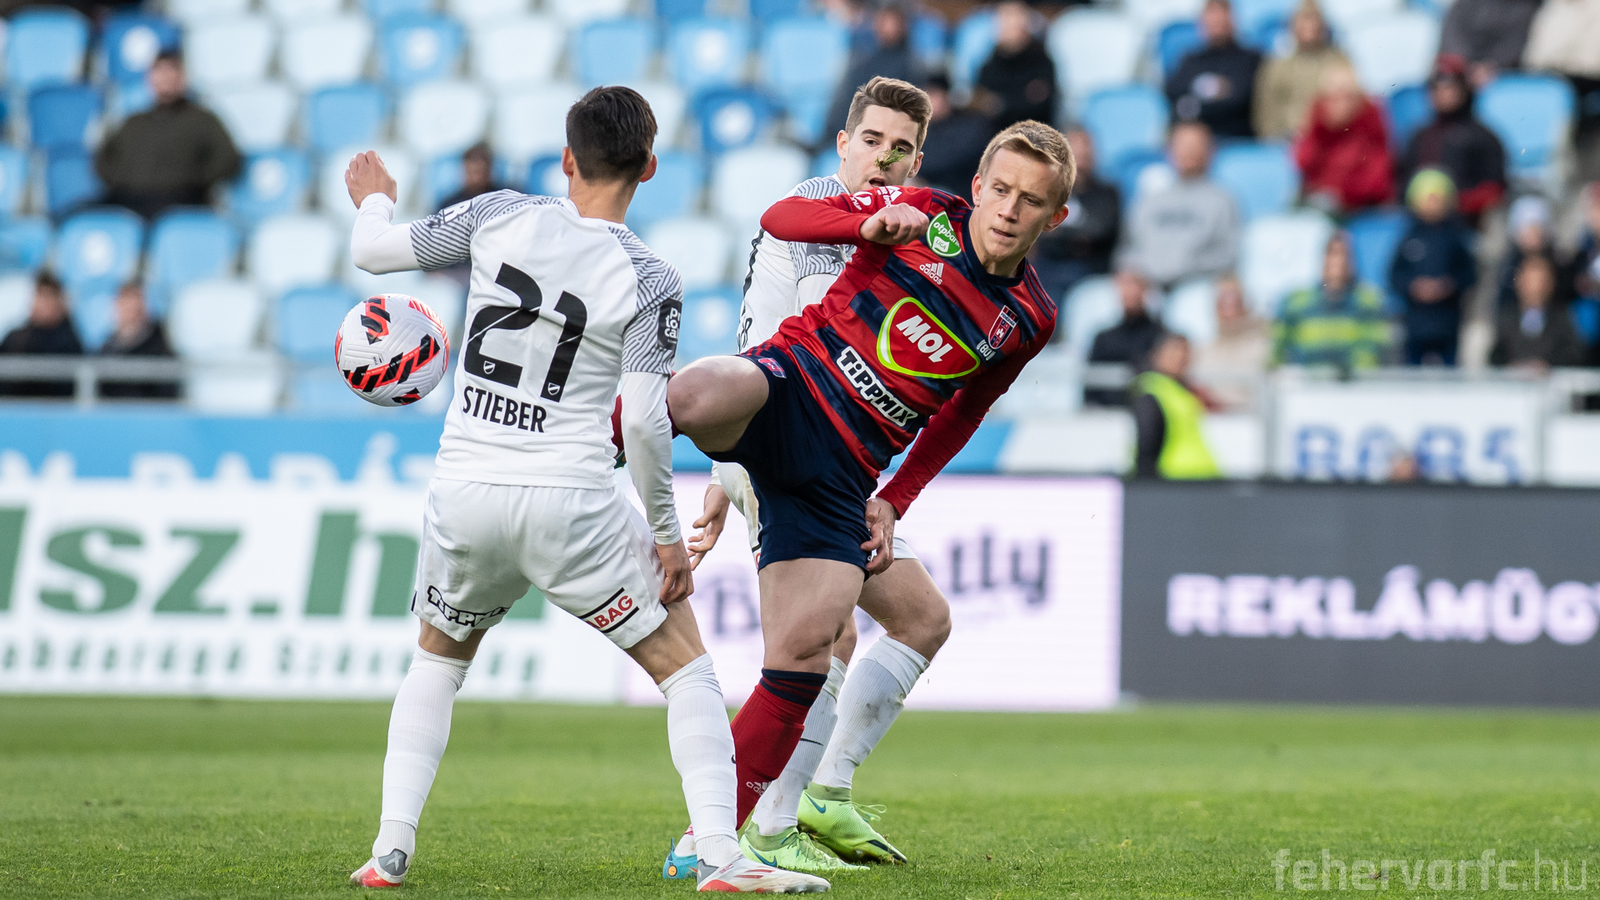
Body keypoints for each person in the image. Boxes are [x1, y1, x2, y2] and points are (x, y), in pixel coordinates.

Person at [339, 87, 826, 894]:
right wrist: (666, 534)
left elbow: (374, 252)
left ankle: (390, 850)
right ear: (650, 168)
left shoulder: (496, 213)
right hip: (570, 497)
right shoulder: (650, 276)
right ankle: (719, 854)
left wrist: (375, 198)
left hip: (466, 486)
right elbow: (645, 424)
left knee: (437, 660)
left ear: (567, 158)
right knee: (687, 673)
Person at [665, 119, 1071, 883]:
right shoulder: (924, 213)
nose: (1010, 209)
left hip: (846, 471)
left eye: (1031, 200)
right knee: (696, 392)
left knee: (810, 649)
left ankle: (713, 838)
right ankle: (586, 452)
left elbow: (966, 410)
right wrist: (867, 224)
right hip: (789, 389)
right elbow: (780, 217)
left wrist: (896, 497)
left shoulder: (1030, 318)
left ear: (1055, 217)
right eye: (1001, 190)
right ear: (978, 187)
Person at [672, 76, 949, 876]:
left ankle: (812, 798)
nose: (883, 160)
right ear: (842, 144)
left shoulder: (901, 224)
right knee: (812, 645)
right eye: (872, 141)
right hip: (792, 444)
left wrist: (725, 472)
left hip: (799, 447)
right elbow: (805, 353)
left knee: (911, 621)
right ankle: (751, 826)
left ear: (917, 160)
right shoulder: (818, 214)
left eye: (901, 149)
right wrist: (735, 465)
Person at [94, 50, 242, 220]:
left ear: (183, 78)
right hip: (128, 198)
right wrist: (121, 181)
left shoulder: (203, 120)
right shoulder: (133, 122)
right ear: (150, 78)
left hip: (180, 201)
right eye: (159, 71)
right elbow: (104, 158)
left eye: (171, 71)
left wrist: (192, 181)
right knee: (83, 217)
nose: (165, 78)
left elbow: (229, 160)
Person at [1119, 121, 1240, 289]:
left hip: (1197, 285)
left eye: (1195, 145)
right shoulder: (1150, 198)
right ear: (1168, 150)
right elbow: (1128, 248)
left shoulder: (1222, 200)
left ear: (1210, 150)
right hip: (1146, 286)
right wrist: (1135, 273)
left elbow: (1227, 254)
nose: (1188, 150)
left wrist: (1180, 269)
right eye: (1182, 144)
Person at [1396, 56, 1506, 227]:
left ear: (1463, 89)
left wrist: (1453, 203)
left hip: (1468, 226)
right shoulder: (1419, 137)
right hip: (1420, 225)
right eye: (1435, 87)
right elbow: (1401, 185)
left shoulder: (1483, 138)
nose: (1442, 92)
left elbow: (1495, 190)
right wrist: (1419, 203)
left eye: (1449, 86)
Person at [1389, 169, 1477, 366]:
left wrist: (1448, 286)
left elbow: (1469, 274)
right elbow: (1395, 275)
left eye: (1437, 199)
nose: (1432, 205)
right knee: (1411, 373)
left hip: (1447, 323)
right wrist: (1414, 287)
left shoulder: (1455, 238)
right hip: (1415, 324)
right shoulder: (1409, 237)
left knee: (1450, 373)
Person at [1275, 231, 1393, 371]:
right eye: (1332, 253)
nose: (1337, 261)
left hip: (1352, 383)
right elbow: (1278, 352)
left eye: (1344, 254)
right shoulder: (1296, 302)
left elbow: (1373, 352)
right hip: (1306, 382)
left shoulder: (1369, 302)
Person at [1032, 127, 1121, 302]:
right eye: (1075, 154)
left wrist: (1058, 232)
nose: (1080, 161)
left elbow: (1099, 231)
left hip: (1090, 270)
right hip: (1050, 267)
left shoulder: (1106, 193)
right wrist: (1075, 235)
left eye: (1085, 153)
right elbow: (1037, 230)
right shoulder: (1046, 190)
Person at [1292, 64, 1393, 214]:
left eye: (1347, 97)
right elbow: (1303, 162)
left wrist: (1339, 196)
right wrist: (1318, 127)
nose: (1340, 104)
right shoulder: (1318, 127)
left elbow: (1377, 182)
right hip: (1319, 206)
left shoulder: (1370, 127)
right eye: (1333, 98)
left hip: (1359, 209)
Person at [1252, 0, 1350, 140]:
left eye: (1314, 19)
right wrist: (1275, 138)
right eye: (1304, 19)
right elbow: (1265, 113)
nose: (1309, 25)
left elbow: (1351, 107)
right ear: (1292, 25)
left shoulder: (1339, 61)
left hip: (1331, 140)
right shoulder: (1277, 66)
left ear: (1323, 25)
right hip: (1286, 142)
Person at [1165, 0, 1263, 139]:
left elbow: (1239, 100)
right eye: (1211, 17)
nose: (1216, 22)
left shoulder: (1250, 59)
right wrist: (1218, 93)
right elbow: (1173, 93)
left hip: (1235, 136)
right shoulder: (1191, 60)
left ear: (1233, 20)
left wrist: (1196, 102)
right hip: (1195, 132)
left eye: (1221, 17)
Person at [824, 2, 921, 143]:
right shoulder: (863, 66)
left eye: (893, 22)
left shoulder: (913, 67)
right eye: (883, 22)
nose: (888, 27)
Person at [1132, 332, 1222, 479]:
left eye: (1185, 353)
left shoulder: (1179, 390)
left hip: (1195, 478)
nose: (1180, 358)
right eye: (1174, 353)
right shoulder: (1152, 391)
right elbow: (1148, 443)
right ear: (1157, 355)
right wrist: (1146, 484)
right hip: (1174, 479)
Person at [1490, 253, 1586, 369]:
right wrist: (1514, 366)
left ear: (1550, 284)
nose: (1535, 288)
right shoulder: (1507, 316)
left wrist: (1546, 366)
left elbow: (1572, 355)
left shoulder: (1562, 317)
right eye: (1530, 281)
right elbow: (1496, 356)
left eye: (1540, 281)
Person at [1085, 268, 1164, 407]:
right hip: (1107, 413)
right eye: (1124, 284)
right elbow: (1091, 388)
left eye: (1135, 283)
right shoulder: (1104, 338)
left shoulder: (1161, 336)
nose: (1129, 290)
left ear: (1146, 289)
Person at [975, 1, 1058, 132]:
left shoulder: (1041, 62)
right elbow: (981, 103)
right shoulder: (990, 63)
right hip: (994, 135)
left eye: (1014, 17)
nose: (1009, 24)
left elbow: (1037, 106)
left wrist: (1001, 106)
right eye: (1005, 17)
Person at [1192, 274, 1270, 410]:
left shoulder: (1264, 347)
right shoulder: (1201, 351)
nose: (1229, 310)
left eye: (1235, 302)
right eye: (1223, 302)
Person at [0, 271, 83, 398]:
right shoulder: (15, 337)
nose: (45, 303)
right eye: (41, 295)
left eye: (50, 296)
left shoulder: (70, 342)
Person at [916, 73, 994, 202]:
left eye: (933, 94)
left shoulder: (971, 124)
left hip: (967, 196)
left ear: (946, 95)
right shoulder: (924, 130)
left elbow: (949, 161)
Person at [98, 282, 179, 400]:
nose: (130, 312)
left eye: (135, 307)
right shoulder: (106, 348)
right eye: (126, 305)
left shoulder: (160, 348)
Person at [1440, 0, 1541, 88]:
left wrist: (1492, 65)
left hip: (1500, 72)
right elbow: (1453, 29)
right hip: (1462, 66)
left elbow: (1515, 43)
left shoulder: (1527, 7)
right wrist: (1464, 63)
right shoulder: (1468, 3)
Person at [1495, 195, 1565, 312]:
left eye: (1537, 229)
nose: (1534, 235)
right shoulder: (1508, 266)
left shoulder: (1558, 264)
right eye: (1529, 230)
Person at [438, 142, 508, 210]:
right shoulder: (450, 206)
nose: (478, 177)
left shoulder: (504, 198)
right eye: (475, 172)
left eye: (482, 172)